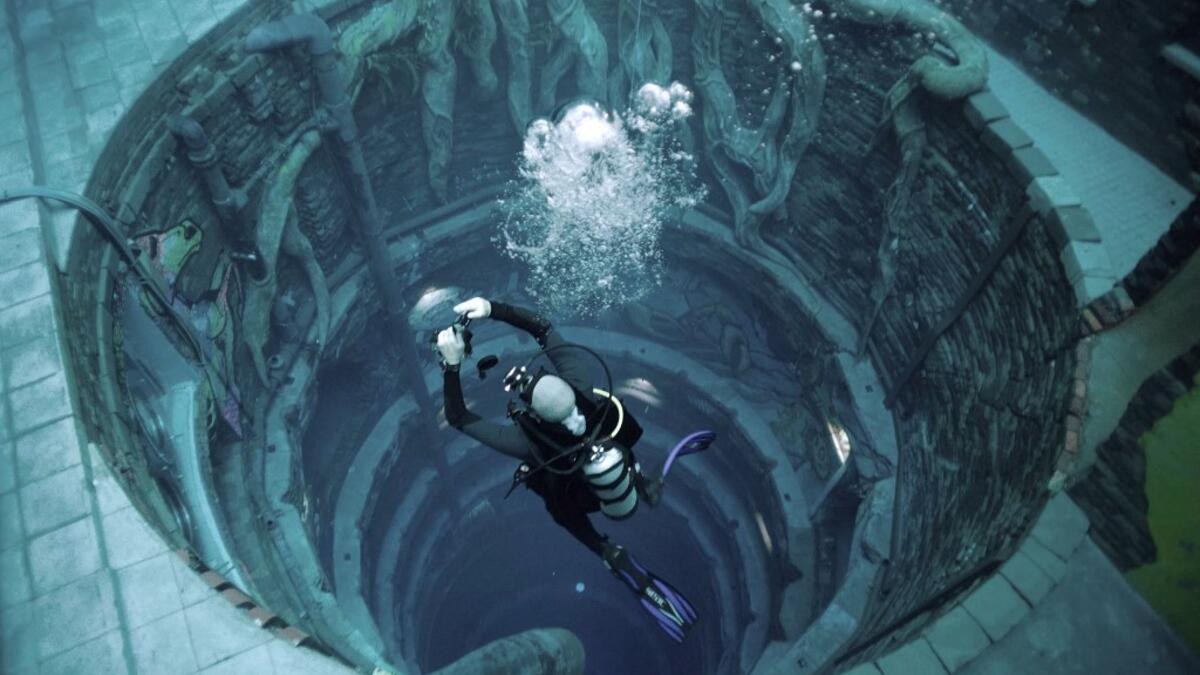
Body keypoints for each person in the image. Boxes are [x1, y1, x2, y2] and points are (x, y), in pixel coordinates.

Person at [436, 296, 701, 642]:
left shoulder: (526, 442)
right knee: (612, 451)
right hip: (614, 469)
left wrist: (451, 365)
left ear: (534, 411)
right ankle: (640, 484)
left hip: (578, 496)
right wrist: (493, 308)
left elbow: (458, 416)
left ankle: (602, 548)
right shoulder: (581, 383)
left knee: (557, 505)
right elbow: (544, 327)